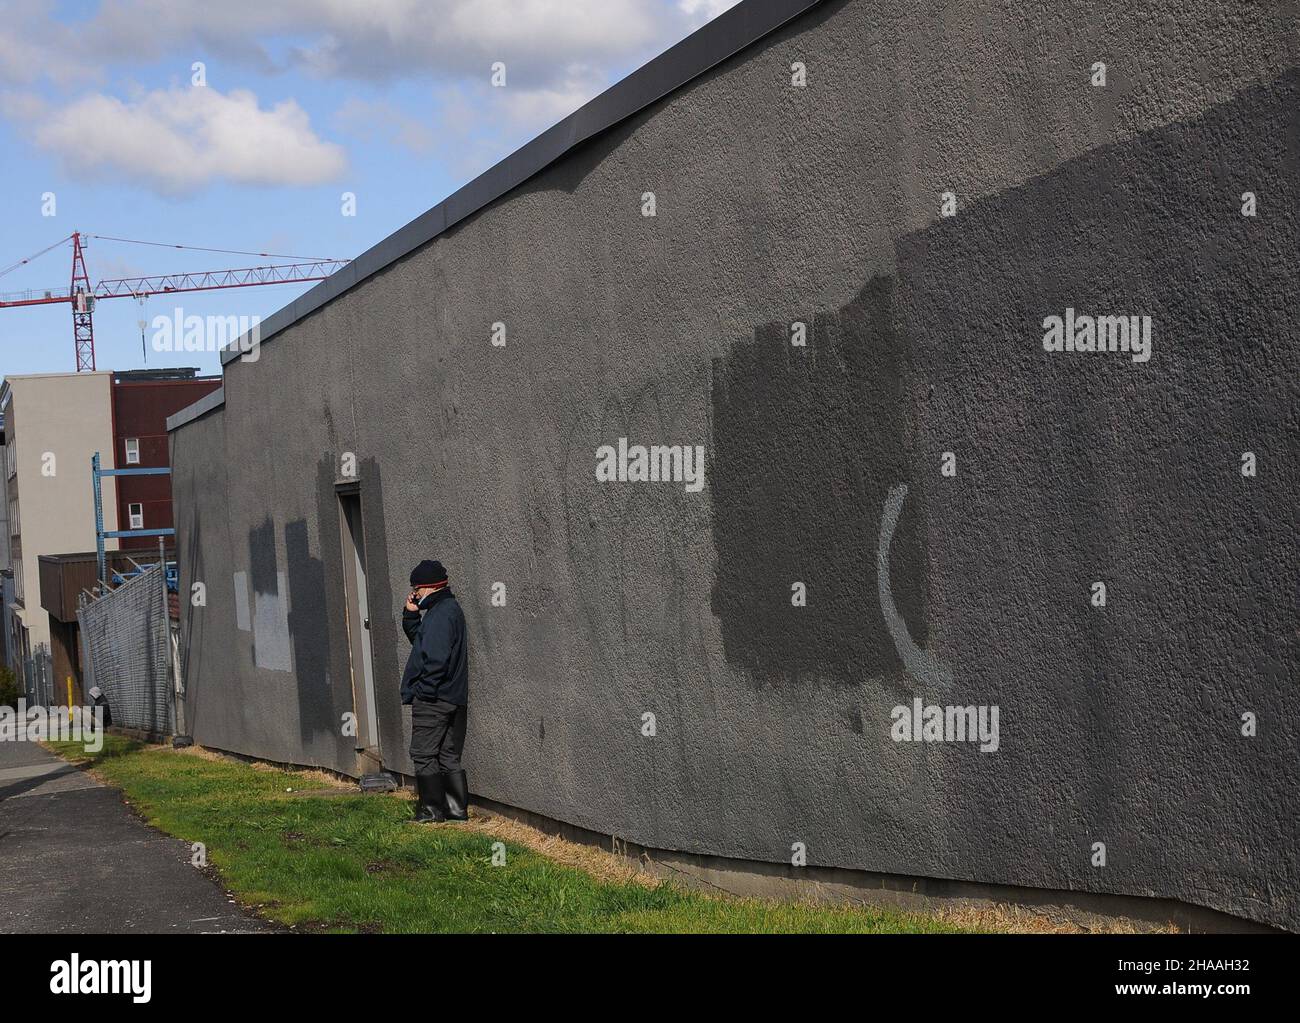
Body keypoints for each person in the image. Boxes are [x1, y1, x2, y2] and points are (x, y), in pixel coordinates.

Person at [401, 559, 470, 823]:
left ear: (427, 587)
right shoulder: (443, 610)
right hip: (450, 696)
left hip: (435, 698)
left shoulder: (442, 613)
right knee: (446, 754)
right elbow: (422, 644)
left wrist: (424, 691)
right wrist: (411, 614)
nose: (414, 593)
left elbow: (435, 659)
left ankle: (431, 810)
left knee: (423, 753)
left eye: (416, 588)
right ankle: (455, 810)